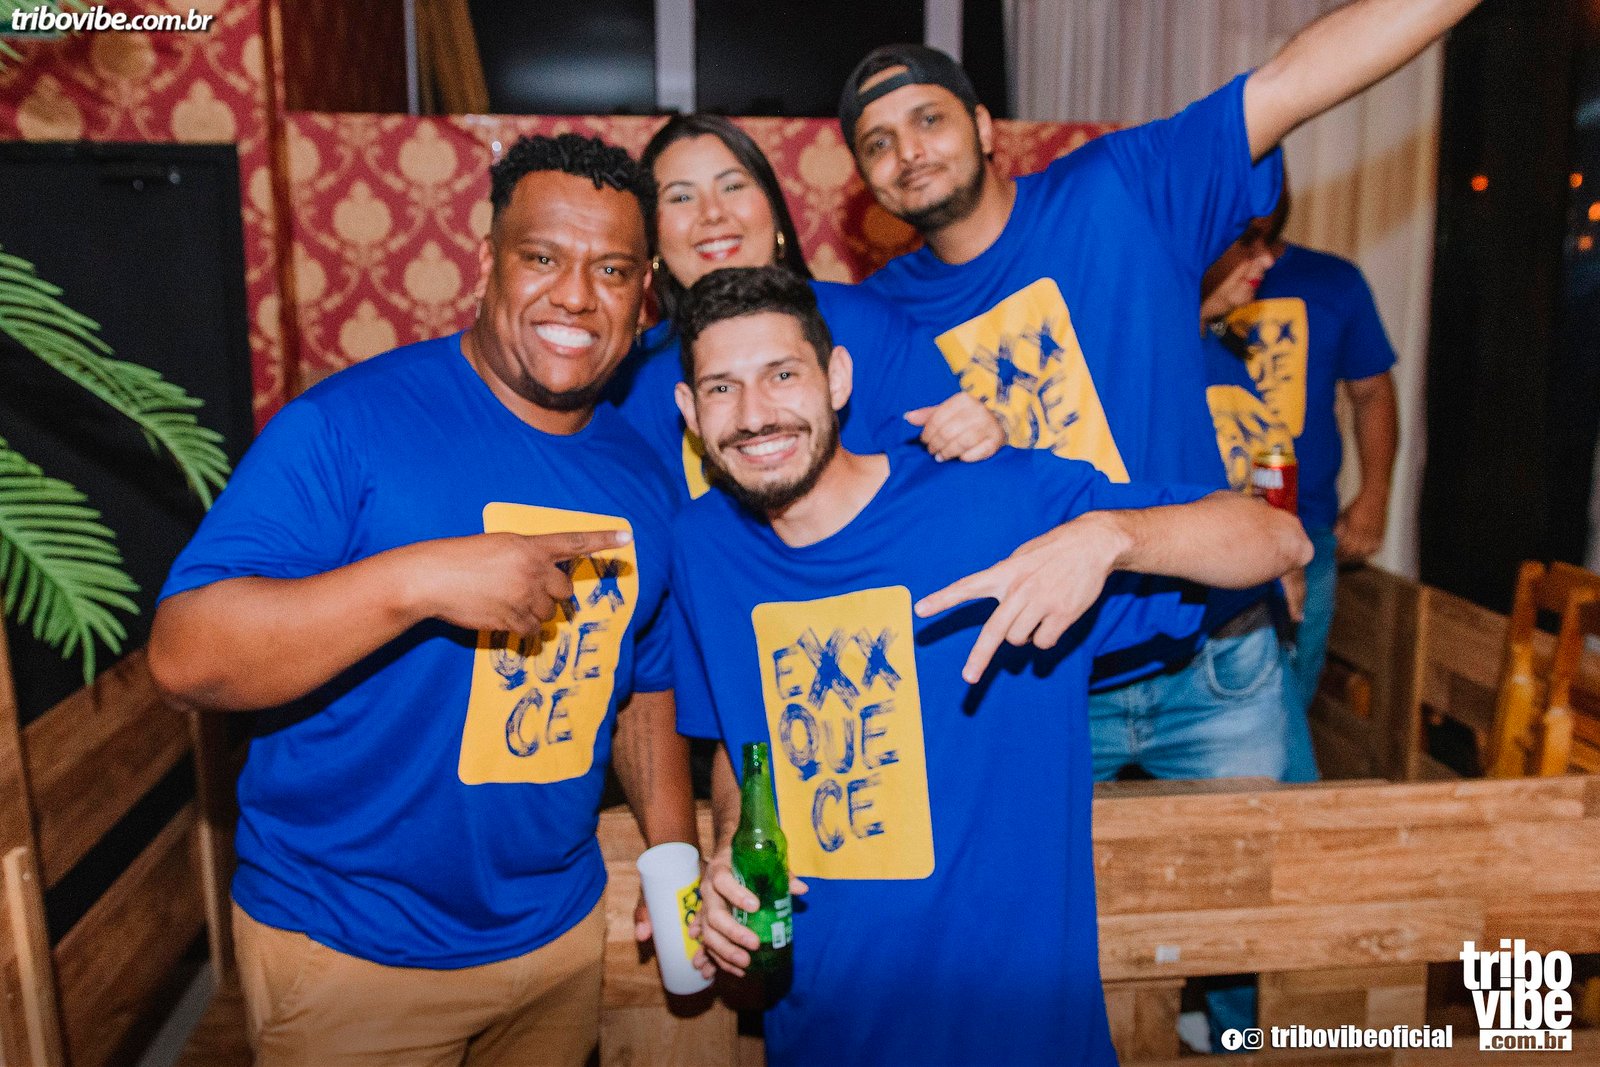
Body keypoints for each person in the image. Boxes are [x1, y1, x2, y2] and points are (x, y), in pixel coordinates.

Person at [668, 266, 1311, 1067]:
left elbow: (1279, 540)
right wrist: (730, 846)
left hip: (1021, 1038)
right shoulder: (702, 547)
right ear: (690, 411)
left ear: (837, 379)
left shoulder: (997, 502)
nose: (755, 413)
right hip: (823, 1035)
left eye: (782, 374)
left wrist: (1110, 537)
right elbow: (740, 741)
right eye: (722, 388)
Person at [146, 134, 696, 1067]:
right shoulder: (346, 424)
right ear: (487, 261)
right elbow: (183, 656)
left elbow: (643, 683)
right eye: (542, 257)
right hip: (353, 952)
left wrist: (673, 861)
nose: (575, 295)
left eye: (611, 270)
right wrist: (420, 580)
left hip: (556, 939)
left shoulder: (641, 472)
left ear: (644, 293)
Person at [605, 113, 1003, 500]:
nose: (712, 213)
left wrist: (975, 436)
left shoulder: (867, 324)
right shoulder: (631, 376)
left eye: (732, 187)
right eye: (681, 197)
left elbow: (952, 481)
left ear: (773, 209)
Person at [1204, 189, 1400, 780]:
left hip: (1303, 530)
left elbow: (1373, 393)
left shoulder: (1333, 282)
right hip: (1199, 539)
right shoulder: (1178, 293)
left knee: (1286, 707)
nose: (1257, 258)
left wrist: (1375, 497)